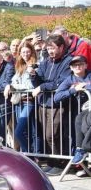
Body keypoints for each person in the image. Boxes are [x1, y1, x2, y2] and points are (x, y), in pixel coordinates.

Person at [31, 34, 73, 175]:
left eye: (53, 48)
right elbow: (39, 81)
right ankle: (52, 162)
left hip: (58, 103)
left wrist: (42, 87)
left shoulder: (68, 62)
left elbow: (61, 82)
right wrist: (33, 76)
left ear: (61, 47)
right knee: (45, 135)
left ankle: (61, 164)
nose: (50, 51)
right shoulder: (46, 62)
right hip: (43, 103)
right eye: (48, 48)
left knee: (53, 135)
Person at [54, 55, 91, 164]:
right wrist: (73, 90)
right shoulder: (69, 79)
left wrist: (85, 87)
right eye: (75, 65)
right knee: (80, 127)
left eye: (80, 64)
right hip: (78, 113)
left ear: (86, 65)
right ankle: (81, 153)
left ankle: (84, 149)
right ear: (71, 67)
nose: (78, 66)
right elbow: (57, 97)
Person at [4, 42, 40, 153]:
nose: (25, 54)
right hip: (19, 102)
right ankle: (30, 154)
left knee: (20, 131)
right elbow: (13, 80)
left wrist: (13, 86)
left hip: (29, 101)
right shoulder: (20, 65)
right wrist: (9, 85)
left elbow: (30, 85)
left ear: (32, 51)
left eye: (28, 51)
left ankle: (30, 154)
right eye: (23, 52)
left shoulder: (35, 65)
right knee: (25, 132)